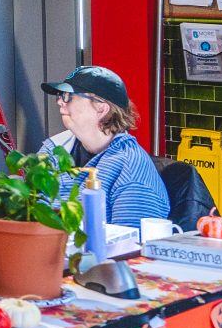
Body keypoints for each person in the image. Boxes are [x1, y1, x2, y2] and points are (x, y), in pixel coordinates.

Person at [39, 65, 170, 226]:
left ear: (101, 108)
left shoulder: (132, 170)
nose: (60, 102)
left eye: (68, 96)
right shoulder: (53, 150)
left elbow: (132, 244)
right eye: (60, 95)